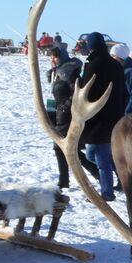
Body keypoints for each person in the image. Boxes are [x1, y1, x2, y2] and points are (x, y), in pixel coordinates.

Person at [79, 32, 125, 202]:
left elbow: (88, 92)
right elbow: (123, 92)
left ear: (91, 46)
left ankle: (107, 192)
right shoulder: (116, 65)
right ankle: (121, 176)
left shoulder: (94, 65)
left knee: (101, 157)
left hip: (98, 118)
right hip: (114, 116)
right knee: (92, 154)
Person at [47, 46, 100, 190]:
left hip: (67, 115)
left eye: (55, 57)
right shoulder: (57, 70)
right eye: (51, 57)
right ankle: (69, 178)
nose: (52, 59)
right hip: (57, 113)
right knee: (67, 148)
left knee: (62, 148)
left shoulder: (69, 71)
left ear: (62, 56)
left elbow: (76, 92)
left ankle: (65, 180)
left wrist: (66, 106)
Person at [110, 44, 132, 114]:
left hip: (130, 115)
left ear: (121, 57)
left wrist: (127, 113)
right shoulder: (120, 69)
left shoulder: (130, 72)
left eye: (113, 56)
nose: (111, 58)